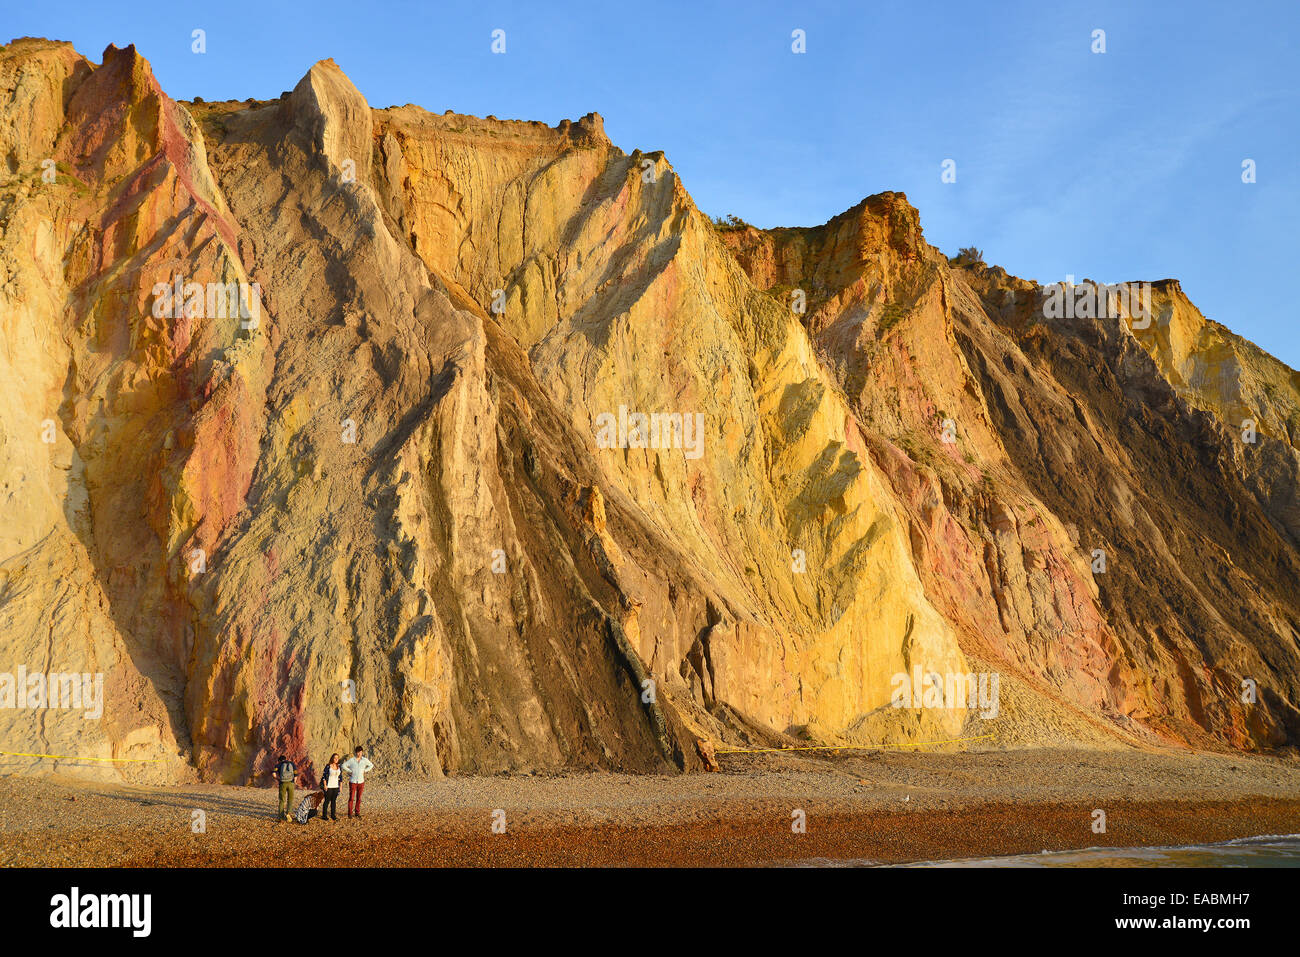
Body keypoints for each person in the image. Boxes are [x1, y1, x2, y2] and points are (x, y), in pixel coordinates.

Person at [342, 746, 374, 819]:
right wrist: (350, 771)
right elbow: (343, 765)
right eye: (358, 752)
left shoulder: (364, 760)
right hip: (353, 781)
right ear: (355, 752)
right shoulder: (352, 760)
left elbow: (371, 765)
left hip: (361, 781)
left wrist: (365, 771)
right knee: (351, 798)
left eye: (360, 752)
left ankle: (357, 812)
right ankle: (350, 813)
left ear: (362, 752)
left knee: (359, 798)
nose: (359, 753)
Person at [272, 754, 296, 822]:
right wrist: (293, 782)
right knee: (290, 799)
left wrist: (278, 779)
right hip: (291, 783)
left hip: (282, 783)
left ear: (279, 760)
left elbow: (273, 774)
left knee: (282, 800)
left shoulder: (278, 765)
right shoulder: (292, 764)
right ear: (286, 759)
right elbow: (296, 775)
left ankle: (281, 816)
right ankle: (288, 813)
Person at [320, 753, 342, 821]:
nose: (336, 759)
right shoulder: (328, 766)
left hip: (336, 786)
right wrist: (325, 785)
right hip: (329, 786)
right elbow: (324, 776)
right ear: (332, 758)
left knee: (334, 801)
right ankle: (324, 815)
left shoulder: (339, 767)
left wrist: (340, 786)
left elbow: (340, 777)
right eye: (335, 758)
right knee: (327, 801)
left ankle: (333, 815)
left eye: (337, 758)